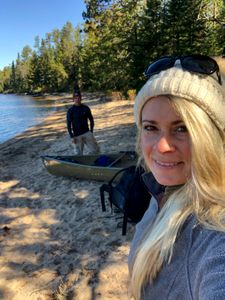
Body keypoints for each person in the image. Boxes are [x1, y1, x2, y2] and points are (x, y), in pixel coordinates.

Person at [128, 55, 225, 299]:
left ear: (211, 137)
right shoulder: (162, 189)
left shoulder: (215, 233)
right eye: (151, 127)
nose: (162, 146)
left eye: (182, 128)